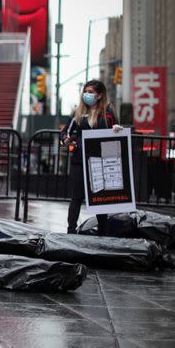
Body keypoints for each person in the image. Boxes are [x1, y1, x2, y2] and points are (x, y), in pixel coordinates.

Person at [60, 80, 123, 234]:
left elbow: (117, 130)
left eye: (91, 91)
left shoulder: (108, 112)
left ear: (99, 95)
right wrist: (66, 139)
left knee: (100, 199)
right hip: (79, 161)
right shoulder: (78, 112)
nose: (87, 94)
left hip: (100, 162)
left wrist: (117, 129)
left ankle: (103, 233)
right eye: (85, 91)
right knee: (77, 197)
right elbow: (64, 133)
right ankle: (71, 231)